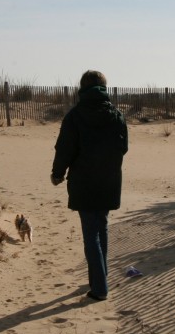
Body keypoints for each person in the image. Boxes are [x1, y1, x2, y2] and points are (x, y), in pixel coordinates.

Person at [51, 70, 128, 301]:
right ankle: (99, 279)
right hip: (108, 180)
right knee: (100, 228)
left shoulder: (75, 116)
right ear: (105, 88)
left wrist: (57, 173)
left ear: (82, 89)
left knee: (91, 234)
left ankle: (100, 287)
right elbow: (122, 148)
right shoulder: (116, 115)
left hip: (84, 182)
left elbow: (64, 148)